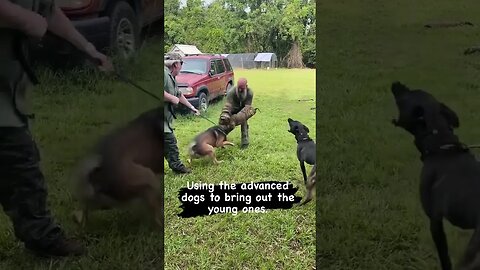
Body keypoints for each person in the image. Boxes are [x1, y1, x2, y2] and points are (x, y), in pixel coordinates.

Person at [0, 0, 112, 257]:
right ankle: (41, 237)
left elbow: (47, 9)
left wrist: (87, 48)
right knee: (20, 163)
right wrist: (24, 19)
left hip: (8, 91)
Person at [164, 52, 200, 174]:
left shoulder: (171, 77)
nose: (182, 66)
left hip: (165, 119)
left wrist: (191, 107)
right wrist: (171, 98)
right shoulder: (163, 74)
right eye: (181, 63)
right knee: (170, 143)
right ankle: (177, 167)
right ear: (175, 64)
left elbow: (179, 94)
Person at [219, 78, 256, 149]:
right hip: (232, 108)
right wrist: (225, 114)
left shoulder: (250, 93)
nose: (240, 90)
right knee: (225, 123)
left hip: (243, 110)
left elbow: (247, 107)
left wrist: (239, 117)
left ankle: (245, 143)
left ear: (246, 86)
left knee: (244, 123)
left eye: (242, 89)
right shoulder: (231, 91)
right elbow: (228, 104)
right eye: (239, 88)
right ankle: (222, 141)